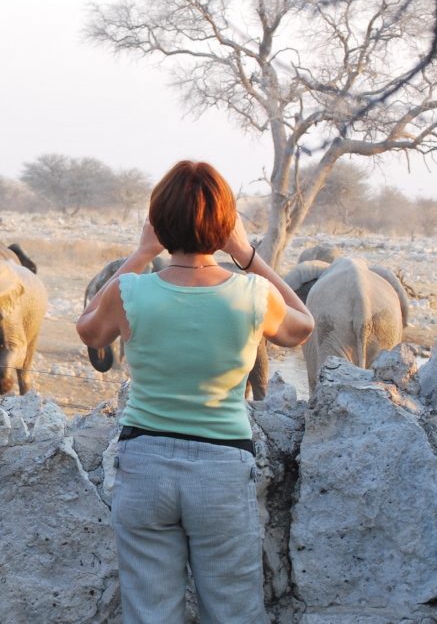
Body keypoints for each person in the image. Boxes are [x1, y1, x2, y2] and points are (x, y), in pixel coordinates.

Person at [76, 160, 313, 623]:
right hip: (222, 470)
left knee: (149, 613)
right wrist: (245, 252)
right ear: (225, 225)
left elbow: (88, 330)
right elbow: (302, 325)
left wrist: (142, 253)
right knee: (232, 612)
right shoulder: (252, 293)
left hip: (144, 465)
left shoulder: (131, 291)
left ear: (159, 223)